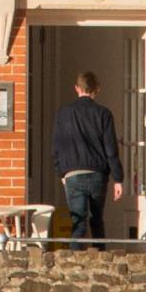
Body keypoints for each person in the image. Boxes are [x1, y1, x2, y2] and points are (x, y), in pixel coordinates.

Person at [50, 71, 125, 244]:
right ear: (97, 89)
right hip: (98, 173)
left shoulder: (64, 113)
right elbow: (110, 148)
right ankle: (101, 258)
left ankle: (76, 262)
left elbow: (56, 147)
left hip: (73, 174)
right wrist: (118, 179)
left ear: (77, 88)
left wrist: (61, 172)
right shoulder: (103, 114)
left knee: (78, 222)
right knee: (97, 220)